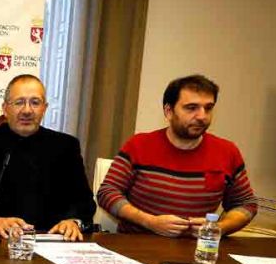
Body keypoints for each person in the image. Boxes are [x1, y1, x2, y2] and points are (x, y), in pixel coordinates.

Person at [96, 74, 257, 237]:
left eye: (208, 108)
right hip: (137, 243)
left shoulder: (227, 152)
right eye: (191, 108)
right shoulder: (139, 145)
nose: (202, 116)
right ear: (169, 111)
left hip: (197, 247)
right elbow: (107, 192)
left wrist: (217, 228)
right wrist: (149, 222)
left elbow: (246, 204)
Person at [0, 74, 94, 241]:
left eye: (35, 102)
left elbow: (84, 201)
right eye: (19, 102)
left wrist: (73, 221)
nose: (27, 110)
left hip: (53, 240)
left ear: (45, 108)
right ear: (5, 109)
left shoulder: (66, 146)